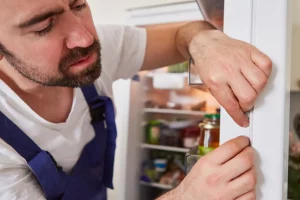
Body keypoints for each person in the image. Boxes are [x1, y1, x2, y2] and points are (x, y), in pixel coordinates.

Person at [0, 0, 272, 200]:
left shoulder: (94, 49)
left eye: (79, 5)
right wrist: (187, 196)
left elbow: (182, 34)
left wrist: (205, 42)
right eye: (45, 26)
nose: (84, 37)